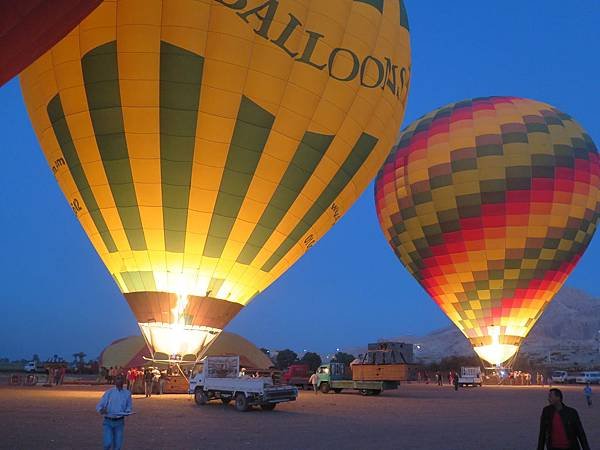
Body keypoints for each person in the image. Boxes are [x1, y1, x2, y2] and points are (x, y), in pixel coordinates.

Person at [96, 374, 132, 450]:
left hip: (120, 422)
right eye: (118, 378)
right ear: (115, 381)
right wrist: (102, 410)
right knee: (107, 444)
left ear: (124, 381)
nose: (120, 380)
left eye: (121, 379)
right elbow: (99, 405)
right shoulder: (109, 392)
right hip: (108, 421)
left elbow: (129, 406)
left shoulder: (127, 393)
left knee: (118, 446)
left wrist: (127, 411)